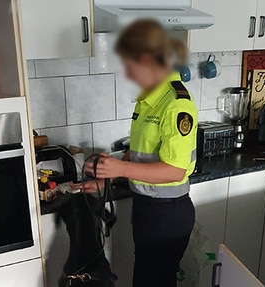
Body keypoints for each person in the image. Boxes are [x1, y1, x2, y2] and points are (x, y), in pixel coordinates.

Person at [72, 19, 197, 287]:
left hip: (168, 214)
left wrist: (119, 169)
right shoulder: (148, 99)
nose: (128, 75)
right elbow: (137, 151)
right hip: (148, 210)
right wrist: (109, 176)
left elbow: (174, 170)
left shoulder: (176, 105)